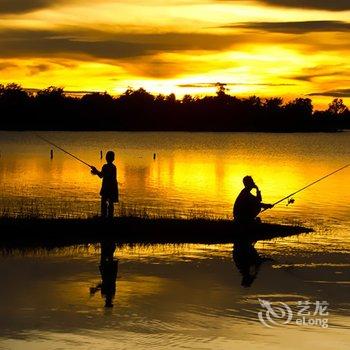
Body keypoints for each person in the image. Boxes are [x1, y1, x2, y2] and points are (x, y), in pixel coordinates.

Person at [91, 150, 118, 219]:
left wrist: (95, 170)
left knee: (103, 203)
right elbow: (104, 175)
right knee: (111, 203)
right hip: (113, 187)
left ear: (106, 158)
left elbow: (101, 175)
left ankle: (104, 216)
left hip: (106, 187)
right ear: (113, 159)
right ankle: (110, 217)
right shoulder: (114, 167)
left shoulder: (105, 166)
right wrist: (96, 171)